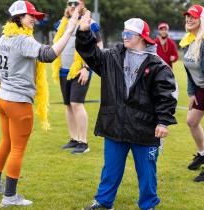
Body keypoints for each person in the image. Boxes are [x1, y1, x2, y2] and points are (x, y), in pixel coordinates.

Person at [76, 11, 177, 210]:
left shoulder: (157, 65)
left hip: (145, 128)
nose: (124, 36)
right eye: (124, 32)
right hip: (116, 125)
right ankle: (104, 202)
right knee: (110, 170)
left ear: (141, 37)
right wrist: (84, 32)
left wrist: (163, 121)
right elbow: (90, 54)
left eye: (129, 34)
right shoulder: (113, 56)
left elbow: (166, 96)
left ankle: (148, 205)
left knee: (147, 172)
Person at [0, 0, 79, 207]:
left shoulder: (3, 38)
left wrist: (3, 85)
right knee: (17, 148)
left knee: (6, 143)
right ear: (18, 17)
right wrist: (70, 30)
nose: (34, 19)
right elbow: (49, 55)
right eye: (30, 16)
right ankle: (9, 197)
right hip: (18, 103)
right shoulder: (22, 40)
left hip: (3, 100)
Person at [52, 0, 103, 154]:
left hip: (82, 69)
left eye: (76, 3)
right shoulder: (61, 23)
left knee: (76, 103)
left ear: (82, 6)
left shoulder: (90, 22)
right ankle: (74, 139)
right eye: (70, 3)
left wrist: (88, 67)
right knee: (68, 104)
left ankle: (83, 142)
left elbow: (99, 45)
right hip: (63, 70)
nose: (72, 6)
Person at [179, 4, 204, 182]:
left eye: (193, 16)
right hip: (200, 89)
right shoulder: (188, 41)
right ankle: (202, 153)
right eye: (187, 16)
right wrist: (191, 92)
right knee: (191, 121)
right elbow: (189, 71)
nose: (189, 19)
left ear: (201, 20)